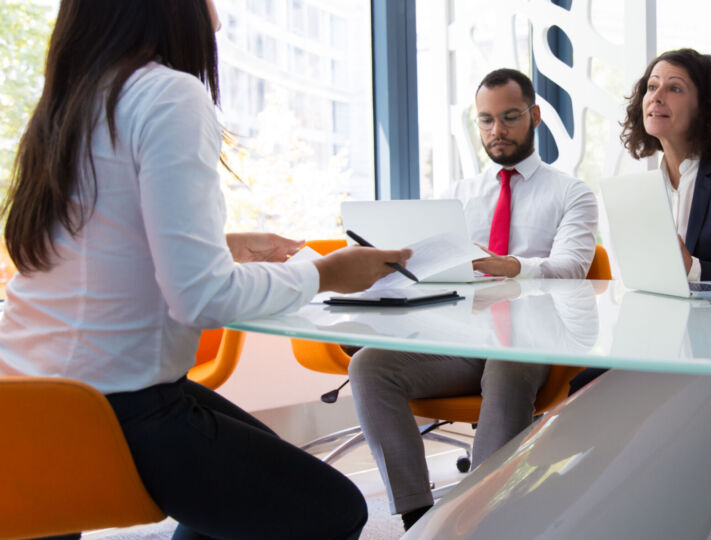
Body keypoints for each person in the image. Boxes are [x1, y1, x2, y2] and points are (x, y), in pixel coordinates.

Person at [0, 1, 413, 538]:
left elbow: (95, 246)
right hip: (116, 406)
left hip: (25, 395)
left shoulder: (74, 99)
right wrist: (326, 274)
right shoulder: (169, 94)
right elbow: (202, 298)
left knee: (249, 492)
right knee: (329, 509)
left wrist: (225, 245)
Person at [346, 68, 599, 530]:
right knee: (368, 365)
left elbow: (573, 269)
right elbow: (433, 272)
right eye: (485, 120)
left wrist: (514, 265)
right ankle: (418, 517)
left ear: (535, 116)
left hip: (533, 340)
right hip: (462, 340)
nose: (496, 131)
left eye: (508, 117)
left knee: (505, 364)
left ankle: (479, 520)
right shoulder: (458, 197)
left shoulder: (571, 193)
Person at [569, 48, 711, 395]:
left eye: (674, 88)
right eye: (651, 87)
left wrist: (693, 269)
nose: (655, 97)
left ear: (706, 106)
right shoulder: (645, 186)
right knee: (580, 393)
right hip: (656, 343)